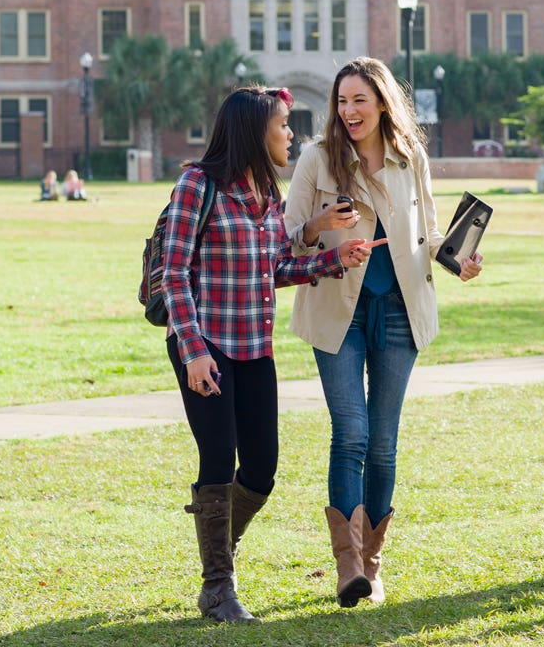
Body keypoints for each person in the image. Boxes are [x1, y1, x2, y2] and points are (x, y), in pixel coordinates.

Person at [162, 86, 380, 624]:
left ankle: (218, 555)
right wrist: (192, 352)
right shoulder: (198, 184)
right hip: (205, 345)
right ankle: (218, 587)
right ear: (254, 131)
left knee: (261, 469)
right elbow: (174, 274)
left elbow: (275, 268)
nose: (290, 134)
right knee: (218, 460)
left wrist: (334, 260)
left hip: (254, 349)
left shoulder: (265, 191)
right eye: (283, 125)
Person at [283, 57, 483, 609]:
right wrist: (321, 227)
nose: (348, 111)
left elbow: (432, 234)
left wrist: (459, 260)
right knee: (350, 432)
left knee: (383, 441)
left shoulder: (409, 156)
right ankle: (348, 566)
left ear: (382, 104)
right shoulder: (318, 159)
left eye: (359, 101)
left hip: (399, 308)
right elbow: (288, 238)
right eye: (342, 102)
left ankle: (372, 564)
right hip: (336, 309)